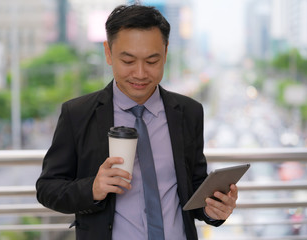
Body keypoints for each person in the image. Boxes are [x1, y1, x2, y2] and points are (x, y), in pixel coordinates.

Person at [36, 4, 238, 240]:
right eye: (128, 61)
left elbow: (194, 187)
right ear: (108, 53)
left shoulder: (188, 112)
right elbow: (47, 189)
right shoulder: (78, 114)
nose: (140, 74)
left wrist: (213, 210)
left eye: (152, 61)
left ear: (165, 52)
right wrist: (93, 188)